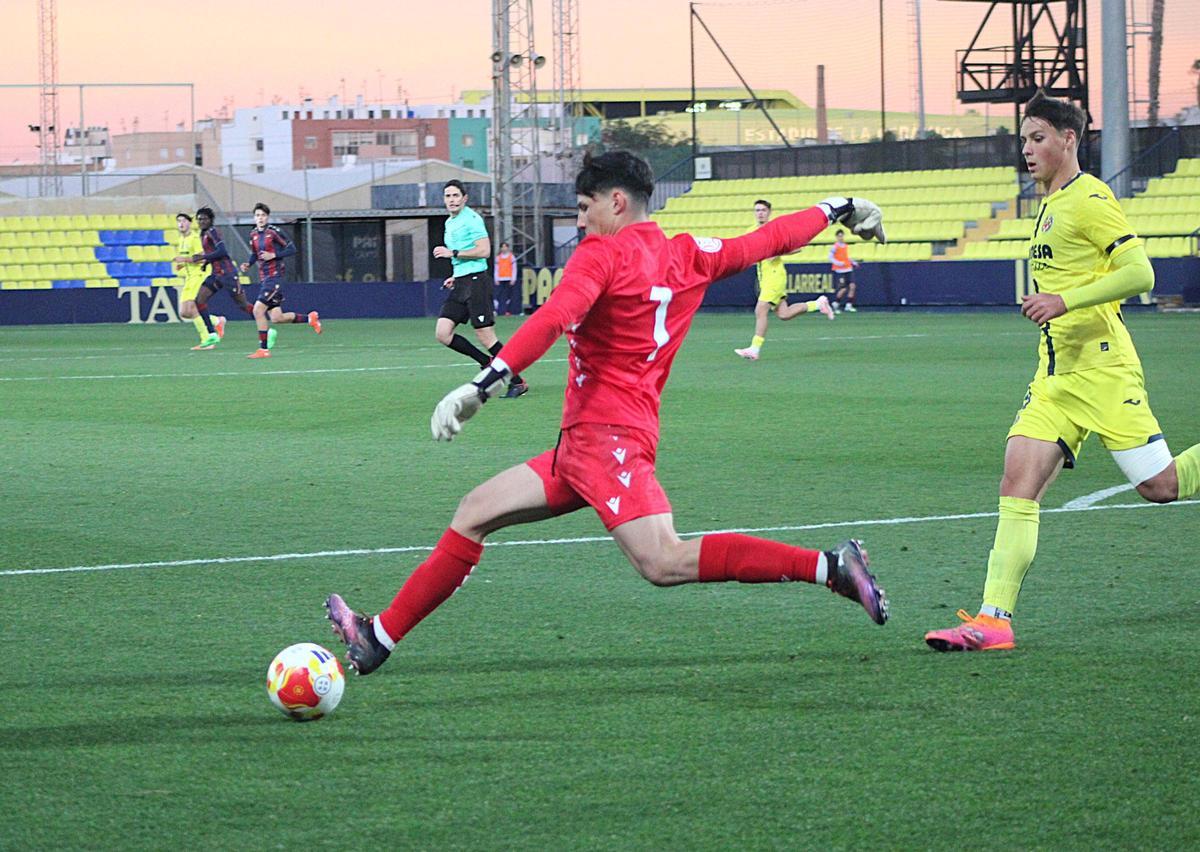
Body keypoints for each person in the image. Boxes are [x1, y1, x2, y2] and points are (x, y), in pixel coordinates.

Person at [324, 151, 890, 676]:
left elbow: (556, 315)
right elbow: (766, 240)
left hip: (606, 442)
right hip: (589, 444)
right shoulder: (688, 253)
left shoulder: (603, 253)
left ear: (615, 201)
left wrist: (485, 382)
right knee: (473, 512)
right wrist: (837, 208)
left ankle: (831, 567)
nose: (580, 221)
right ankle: (379, 638)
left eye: (583, 207)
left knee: (663, 561)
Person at [924, 90, 1200, 652]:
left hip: (1103, 370)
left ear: (1068, 139)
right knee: (1016, 483)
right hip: (1054, 378)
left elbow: (1141, 273)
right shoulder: (1049, 201)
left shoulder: (1089, 198)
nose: (1026, 149)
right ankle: (993, 620)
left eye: (1038, 138)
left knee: (1160, 486)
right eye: (1023, 139)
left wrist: (1065, 300)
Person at [432, 180, 528, 398]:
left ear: (464, 198)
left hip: (476, 282)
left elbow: (484, 251)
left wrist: (453, 253)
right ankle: (486, 362)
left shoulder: (472, 219)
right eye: (448, 196)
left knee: (486, 336)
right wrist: (455, 276)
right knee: (443, 333)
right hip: (462, 282)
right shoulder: (450, 222)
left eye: (456, 196)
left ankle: (518, 380)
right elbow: (463, 257)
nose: (452, 200)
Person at [734, 199, 835, 361]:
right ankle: (817, 304)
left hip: (775, 275)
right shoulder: (751, 231)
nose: (760, 213)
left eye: (763, 210)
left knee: (760, 310)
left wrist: (778, 251)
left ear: (769, 212)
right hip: (763, 277)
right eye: (757, 210)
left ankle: (754, 349)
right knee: (784, 314)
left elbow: (797, 247)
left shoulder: (776, 230)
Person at [238, 203, 321, 359]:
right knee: (277, 318)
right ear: (254, 218)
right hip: (265, 279)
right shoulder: (253, 234)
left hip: (275, 277)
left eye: (263, 215)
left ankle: (263, 349)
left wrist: (273, 255)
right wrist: (248, 264)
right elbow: (255, 254)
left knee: (257, 310)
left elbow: (292, 248)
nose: (260, 218)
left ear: (267, 217)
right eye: (257, 215)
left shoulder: (274, 232)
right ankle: (310, 318)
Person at [191, 207, 254, 340]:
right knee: (199, 300)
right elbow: (213, 253)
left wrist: (203, 258)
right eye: (199, 219)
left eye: (204, 219)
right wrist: (207, 263)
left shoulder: (213, 232)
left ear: (210, 220)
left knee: (243, 305)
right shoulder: (202, 234)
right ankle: (211, 333)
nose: (201, 221)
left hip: (228, 274)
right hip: (216, 274)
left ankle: (265, 325)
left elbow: (222, 251)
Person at [172, 212, 225, 350]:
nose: (181, 224)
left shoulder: (195, 238)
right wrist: (183, 264)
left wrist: (184, 260)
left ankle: (207, 339)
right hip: (189, 277)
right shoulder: (181, 240)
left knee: (192, 307)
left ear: (190, 223)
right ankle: (216, 321)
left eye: (184, 221)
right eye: (179, 221)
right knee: (184, 313)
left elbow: (202, 256)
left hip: (199, 275)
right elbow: (189, 258)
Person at [829, 229, 860, 313]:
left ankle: (849, 305)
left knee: (852, 286)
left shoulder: (845, 246)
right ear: (836, 237)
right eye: (839, 236)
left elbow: (846, 257)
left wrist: (853, 262)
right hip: (840, 270)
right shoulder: (835, 246)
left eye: (842, 235)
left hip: (848, 269)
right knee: (843, 289)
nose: (841, 237)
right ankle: (836, 304)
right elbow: (830, 257)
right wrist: (838, 263)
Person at [494, 241, 519, 316]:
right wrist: (496, 278)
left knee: (509, 295)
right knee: (500, 295)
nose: (504, 248)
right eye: (502, 247)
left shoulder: (511, 257)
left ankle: (508, 310)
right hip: (501, 278)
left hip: (509, 278)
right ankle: (499, 310)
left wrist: (513, 278)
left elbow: (514, 268)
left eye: (505, 247)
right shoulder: (498, 258)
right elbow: (496, 269)